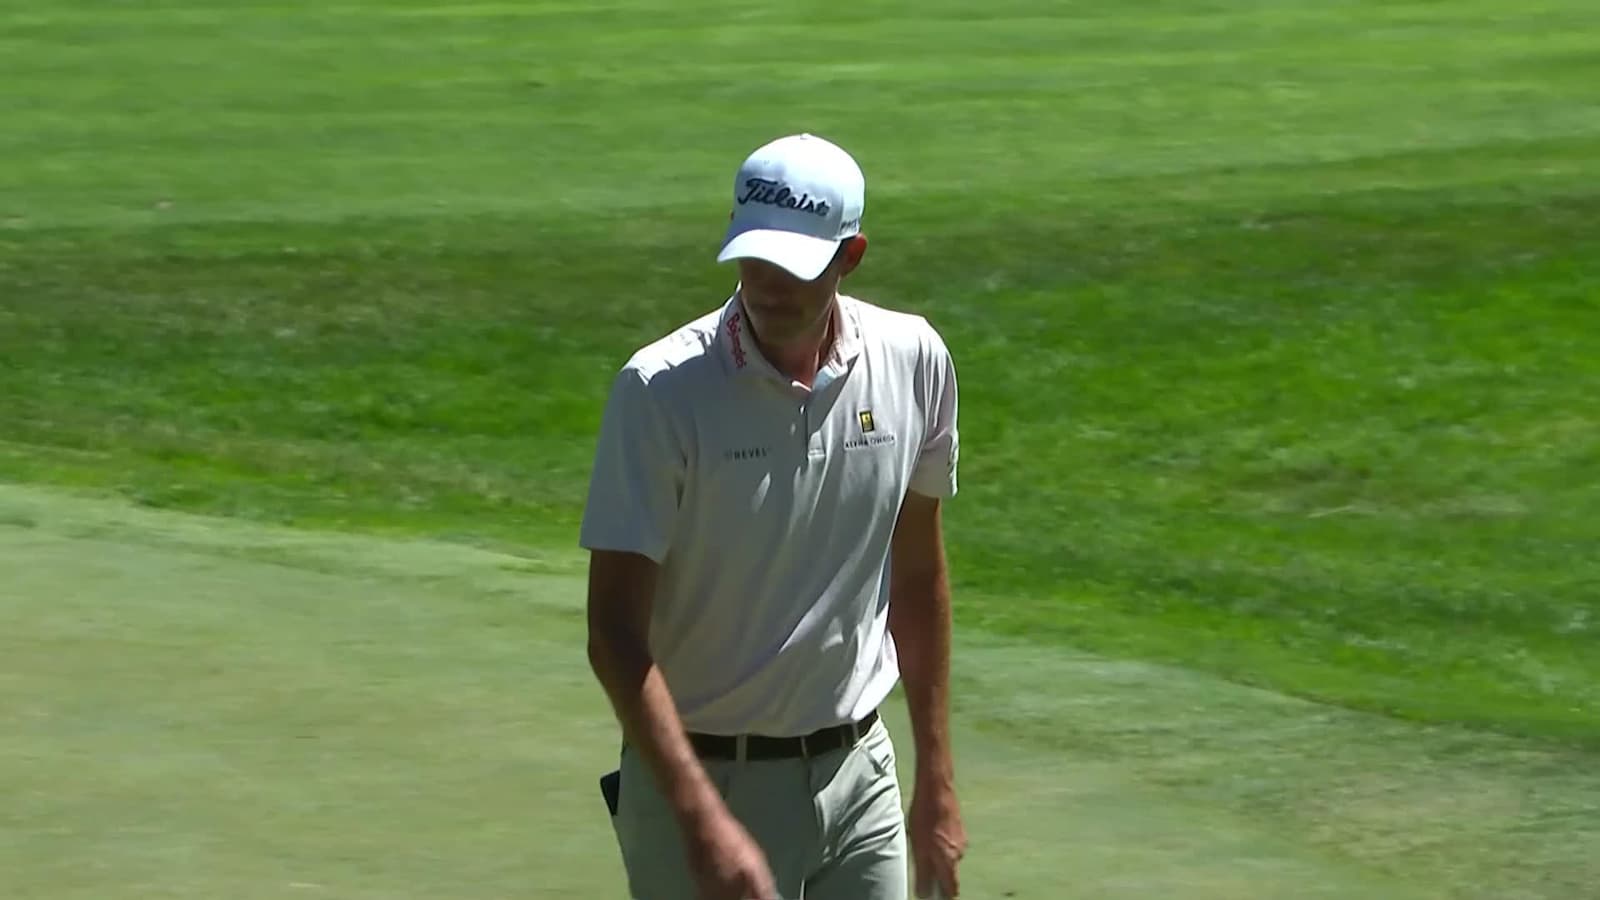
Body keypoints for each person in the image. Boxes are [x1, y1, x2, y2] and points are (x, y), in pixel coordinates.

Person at [580, 132, 967, 900]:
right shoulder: (660, 391)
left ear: (849, 257)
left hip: (861, 778)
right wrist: (702, 820)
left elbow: (917, 579)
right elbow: (614, 635)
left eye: (792, 265)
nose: (766, 284)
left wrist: (937, 779)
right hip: (701, 776)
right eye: (752, 258)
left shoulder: (914, 360)